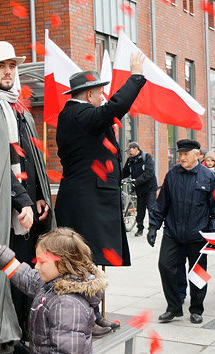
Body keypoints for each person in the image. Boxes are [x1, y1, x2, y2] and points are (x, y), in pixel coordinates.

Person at [0, 41, 55, 354]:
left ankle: (16, 334)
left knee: (23, 269)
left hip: (23, 207)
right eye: (1, 66)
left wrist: (37, 196)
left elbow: (27, 156)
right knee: (1, 272)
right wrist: (20, 199)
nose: (8, 71)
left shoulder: (15, 106)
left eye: (12, 66)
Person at [54, 51, 146, 332]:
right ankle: (85, 319)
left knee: (90, 262)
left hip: (90, 198)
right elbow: (113, 110)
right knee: (83, 263)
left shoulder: (79, 114)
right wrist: (135, 77)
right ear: (90, 94)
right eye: (100, 93)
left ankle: (93, 315)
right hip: (86, 200)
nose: (103, 98)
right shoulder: (78, 113)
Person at [148, 139, 215, 324]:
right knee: (165, 266)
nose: (181, 157)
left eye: (185, 154)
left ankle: (196, 309)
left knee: (198, 273)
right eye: (180, 154)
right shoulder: (172, 175)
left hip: (198, 236)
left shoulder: (209, 177)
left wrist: (213, 235)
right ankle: (173, 307)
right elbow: (161, 204)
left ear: (197, 155)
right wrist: (153, 227)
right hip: (172, 233)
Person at [122, 142, 156, 236]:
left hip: (150, 188)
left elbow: (149, 173)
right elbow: (125, 172)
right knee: (140, 210)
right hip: (139, 189)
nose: (128, 153)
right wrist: (116, 178)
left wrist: (137, 181)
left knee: (151, 208)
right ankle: (140, 229)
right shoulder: (130, 160)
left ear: (136, 148)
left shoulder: (146, 157)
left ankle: (152, 229)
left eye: (130, 150)